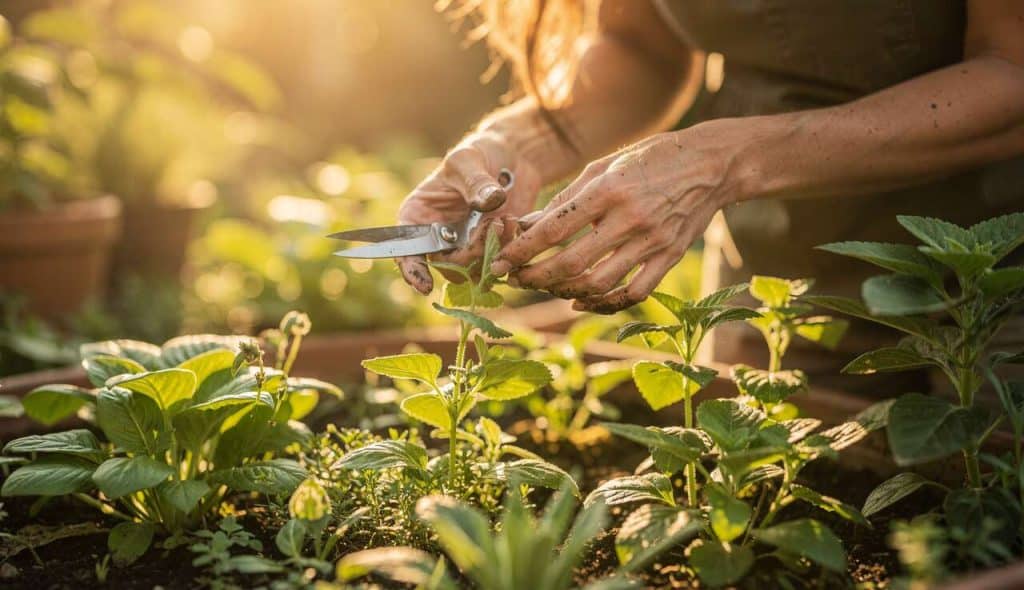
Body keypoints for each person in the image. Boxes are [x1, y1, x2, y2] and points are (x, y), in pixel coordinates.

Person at [393, 0, 1024, 388]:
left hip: (996, 267)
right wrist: (518, 146)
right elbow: (642, 47)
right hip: (784, 272)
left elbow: (1013, 71)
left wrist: (723, 159)